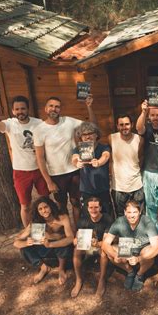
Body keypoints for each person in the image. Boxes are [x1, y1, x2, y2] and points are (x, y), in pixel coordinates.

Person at [0, 96, 49, 227]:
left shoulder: (38, 123)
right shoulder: (10, 124)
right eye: (17, 109)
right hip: (20, 171)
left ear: (28, 109)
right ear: (13, 111)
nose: (20, 111)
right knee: (25, 206)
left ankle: (47, 228)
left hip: (40, 169)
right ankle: (28, 231)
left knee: (45, 201)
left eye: (23, 108)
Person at [34, 96, 96, 225]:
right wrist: (48, 181)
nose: (54, 109)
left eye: (57, 106)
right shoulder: (39, 130)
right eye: (51, 106)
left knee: (76, 203)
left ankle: (78, 232)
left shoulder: (69, 121)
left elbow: (92, 126)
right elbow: (40, 158)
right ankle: (68, 231)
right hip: (56, 175)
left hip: (74, 171)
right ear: (45, 109)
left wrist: (89, 107)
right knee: (61, 206)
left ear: (60, 109)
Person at [13, 196, 73, 285]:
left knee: (65, 244)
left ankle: (61, 269)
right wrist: (26, 242)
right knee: (24, 249)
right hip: (43, 248)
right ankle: (43, 267)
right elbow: (16, 243)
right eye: (40, 209)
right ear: (37, 211)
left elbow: (70, 238)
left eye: (46, 207)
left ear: (51, 206)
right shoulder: (35, 222)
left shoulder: (63, 218)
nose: (44, 211)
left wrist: (51, 242)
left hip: (57, 247)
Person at [102, 200, 158, 292]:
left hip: (142, 250)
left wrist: (139, 258)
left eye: (135, 212)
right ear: (125, 212)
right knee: (110, 252)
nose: (132, 215)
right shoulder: (119, 222)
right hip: (126, 250)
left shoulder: (147, 222)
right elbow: (105, 243)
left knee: (150, 252)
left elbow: (157, 248)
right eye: (129, 212)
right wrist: (114, 255)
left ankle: (140, 274)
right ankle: (130, 272)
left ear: (140, 212)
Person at [71, 197, 112, 299]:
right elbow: (77, 236)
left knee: (103, 253)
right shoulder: (82, 220)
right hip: (87, 246)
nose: (93, 210)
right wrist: (75, 240)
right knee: (76, 250)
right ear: (87, 208)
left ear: (100, 208)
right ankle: (79, 279)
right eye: (91, 207)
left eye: (96, 207)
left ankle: (102, 280)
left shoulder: (107, 219)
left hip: (100, 246)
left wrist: (97, 244)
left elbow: (107, 241)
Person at [72, 122, 113, 217]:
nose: (87, 137)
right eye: (84, 134)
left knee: (106, 214)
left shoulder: (104, 147)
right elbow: (74, 157)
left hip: (103, 188)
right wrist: (77, 162)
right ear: (80, 137)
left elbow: (106, 156)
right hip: (86, 190)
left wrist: (99, 162)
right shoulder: (78, 148)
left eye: (90, 133)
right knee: (87, 216)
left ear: (96, 135)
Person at [108, 115, 145, 217]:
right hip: (119, 186)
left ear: (132, 125)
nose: (124, 127)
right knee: (121, 216)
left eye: (127, 124)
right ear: (117, 126)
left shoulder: (139, 139)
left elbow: (141, 159)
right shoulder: (111, 138)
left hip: (136, 185)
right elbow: (110, 159)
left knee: (138, 214)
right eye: (121, 125)